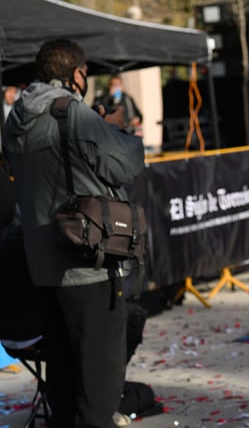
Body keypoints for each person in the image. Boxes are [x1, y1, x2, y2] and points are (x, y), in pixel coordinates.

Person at [2, 39, 145, 428]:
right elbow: (126, 164)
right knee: (98, 382)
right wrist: (114, 128)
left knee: (63, 373)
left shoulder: (15, 119)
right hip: (88, 262)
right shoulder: (73, 113)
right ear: (77, 74)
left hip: (43, 264)